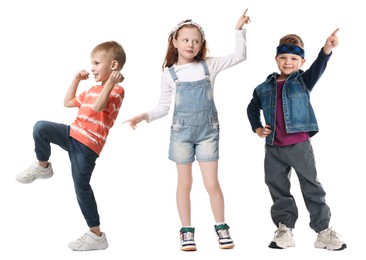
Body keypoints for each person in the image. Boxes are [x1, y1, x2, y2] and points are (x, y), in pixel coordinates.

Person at [124, 9, 250, 251]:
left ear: (202, 44)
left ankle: (221, 226)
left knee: (212, 183)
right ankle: (186, 231)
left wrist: (239, 30)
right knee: (185, 184)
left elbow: (239, 56)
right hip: (181, 134)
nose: (190, 44)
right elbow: (162, 107)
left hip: (207, 133)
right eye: (185, 40)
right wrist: (145, 116)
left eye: (195, 40)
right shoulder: (169, 73)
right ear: (175, 42)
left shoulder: (208, 66)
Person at [16, 41, 126, 251]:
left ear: (113, 65)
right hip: (71, 133)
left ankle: (96, 235)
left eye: (96, 63)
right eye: (91, 63)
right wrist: (76, 79)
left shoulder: (118, 90)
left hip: (87, 146)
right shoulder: (92, 89)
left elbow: (98, 106)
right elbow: (67, 102)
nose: (92, 67)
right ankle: (43, 165)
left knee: (81, 187)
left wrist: (110, 83)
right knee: (41, 127)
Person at [247, 29, 347, 250]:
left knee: (311, 186)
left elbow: (319, 67)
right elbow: (252, 107)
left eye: (294, 58)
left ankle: (323, 231)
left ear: (302, 61)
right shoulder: (263, 87)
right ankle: (285, 229)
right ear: (276, 59)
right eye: (283, 58)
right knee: (277, 186)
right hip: (273, 147)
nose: (288, 62)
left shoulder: (303, 81)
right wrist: (257, 127)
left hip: (299, 145)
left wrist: (327, 49)